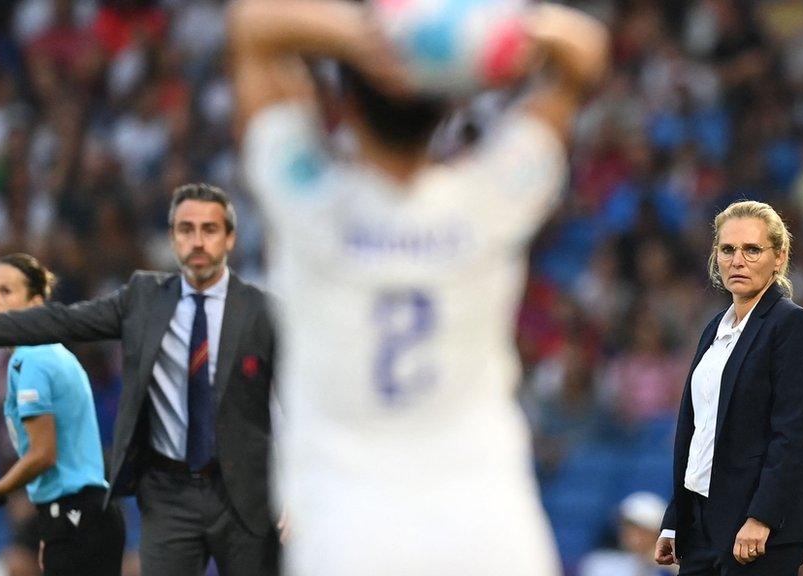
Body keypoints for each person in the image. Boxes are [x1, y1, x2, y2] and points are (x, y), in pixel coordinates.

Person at [229, 2, 608, 575]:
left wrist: (371, 39)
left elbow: (253, 26)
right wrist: (465, 43)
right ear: (451, 103)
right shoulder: (492, 198)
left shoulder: (307, 199)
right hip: (489, 525)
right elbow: (583, 53)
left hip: (346, 529)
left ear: (347, 103)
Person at [0, 184, 279, 576]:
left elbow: (296, 402)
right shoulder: (143, 298)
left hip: (242, 493)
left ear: (230, 238)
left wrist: (294, 494)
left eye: (210, 229)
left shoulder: (263, 313)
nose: (197, 241)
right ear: (173, 238)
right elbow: (62, 319)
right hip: (169, 494)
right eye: (186, 229)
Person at [654, 200, 803, 575]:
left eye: (752, 249)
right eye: (728, 249)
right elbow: (699, 432)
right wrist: (676, 517)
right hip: (703, 522)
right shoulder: (714, 329)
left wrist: (762, 517)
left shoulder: (794, 327)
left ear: (779, 257)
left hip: (757, 526)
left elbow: (794, 436)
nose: (738, 260)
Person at [0, 253, 125, 574]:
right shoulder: (42, 355)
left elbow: (43, 454)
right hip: (77, 517)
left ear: (36, 304)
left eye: (6, 291)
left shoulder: (35, 360)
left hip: (78, 516)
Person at [580, 491, 676, 576]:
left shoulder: (669, 567)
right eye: (628, 527)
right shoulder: (599, 563)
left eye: (642, 531)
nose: (633, 535)